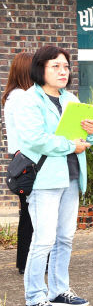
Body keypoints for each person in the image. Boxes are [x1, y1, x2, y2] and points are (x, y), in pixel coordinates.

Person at [17, 45, 93, 306]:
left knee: (65, 238)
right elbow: (34, 139)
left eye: (66, 66)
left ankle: (59, 291)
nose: (63, 71)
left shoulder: (71, 98)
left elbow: (82, 141)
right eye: (56, 66)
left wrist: (91, 133)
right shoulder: (29, 100)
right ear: (41, 69)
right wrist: (68, 145)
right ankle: (34, 298)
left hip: (72, 177)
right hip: (44, 180)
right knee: (43, 239)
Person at [2, 52, 34, 275]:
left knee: (27, 212)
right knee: (32, 213)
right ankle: (28, 261)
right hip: (28, 159)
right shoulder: (23, 97)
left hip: (19, 158)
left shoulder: (12, 96)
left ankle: (24, 261)